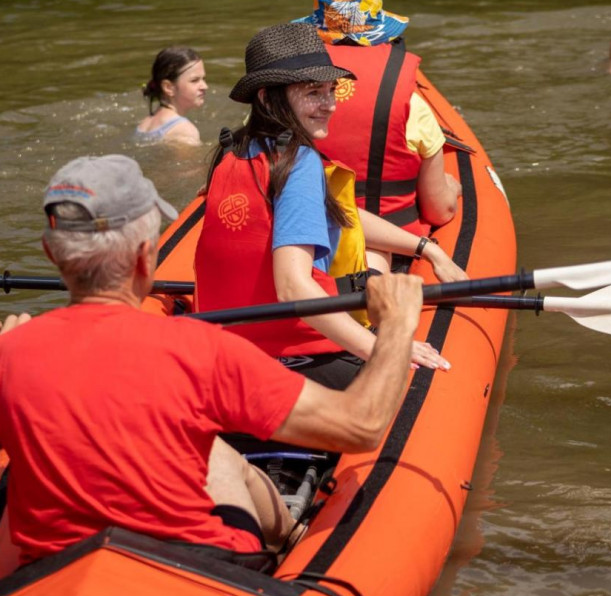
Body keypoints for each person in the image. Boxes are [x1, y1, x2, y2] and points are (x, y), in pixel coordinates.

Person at [0, 153, 426, 568]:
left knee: (215, 448)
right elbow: (360, 429)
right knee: (220, 451)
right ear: (146, 254)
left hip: (56, 577)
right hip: (206, 578)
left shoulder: (3, 358)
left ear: (52, 254)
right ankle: (290, 539)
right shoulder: (201, 349)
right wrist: (398, 325)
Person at [194, 23, 467, 391]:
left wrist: (427, 248)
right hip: (299, 359)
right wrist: (383, 349)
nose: (330, 105)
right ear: (265, 97)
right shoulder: (298, 162)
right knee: (433, 379)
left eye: (331, 91)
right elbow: (293, 287)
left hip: (224, 358)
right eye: (313, 92)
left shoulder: (233, 152)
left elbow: (342, 216)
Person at [293, 0, 461, 240]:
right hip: (389, 237)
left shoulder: (285, 92)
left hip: (300, 231)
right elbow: (439, 211)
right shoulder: (411, 104)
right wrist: (451, 189)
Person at [133, 46, 205, 145]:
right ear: (168, 87)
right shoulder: (185, 131)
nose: (205, 86)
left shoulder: (144, 124)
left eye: (203, 79)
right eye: (194, 80)